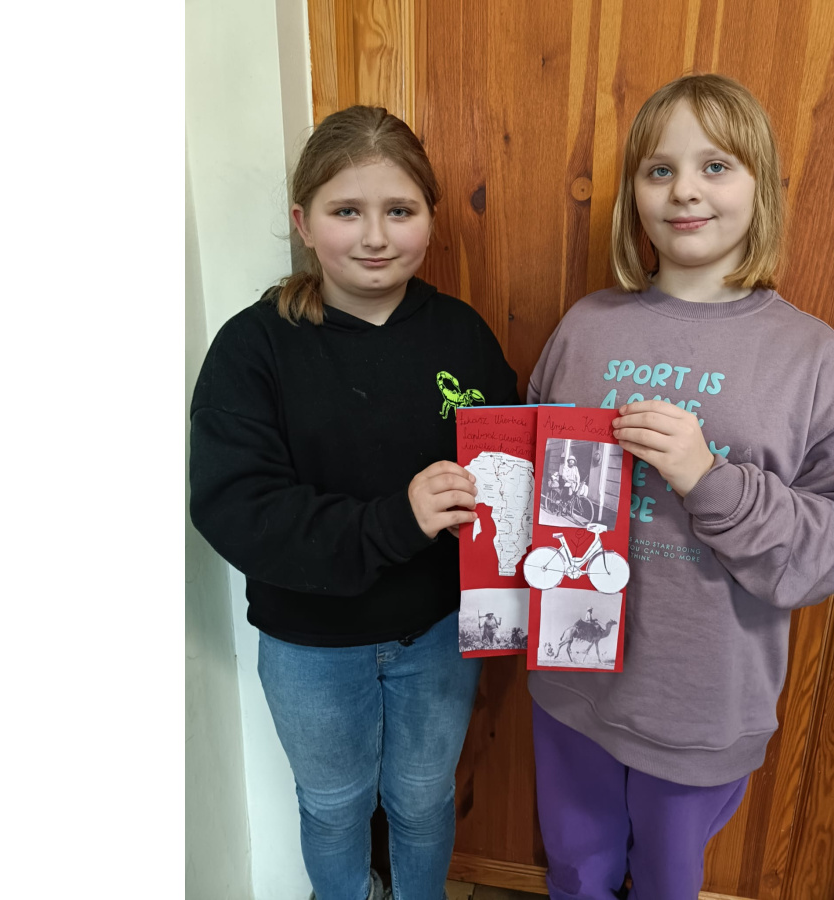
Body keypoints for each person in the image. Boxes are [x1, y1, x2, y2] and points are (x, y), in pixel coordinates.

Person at [525, 74, 834, 900]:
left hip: (700, 704)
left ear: (760, 185)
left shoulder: (811, 357)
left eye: (716, 166)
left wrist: (710, 480)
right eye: (659, 169)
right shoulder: (586, 326)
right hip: (569, 683)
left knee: (668, 882)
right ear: (634, 194)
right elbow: (530, 478)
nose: (684, 191)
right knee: (574, 871)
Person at [189, 105, 518, 900]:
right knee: (334, 806)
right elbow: (236, 507)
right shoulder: (253, 346)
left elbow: (511, 469)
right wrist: (396, 519)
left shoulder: (463, 335)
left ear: (430, 218)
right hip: (310, 644)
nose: (375, 236)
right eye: (347, 212)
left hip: (439, 634)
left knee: (423, 800)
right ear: (304, 222)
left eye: (399, 211)